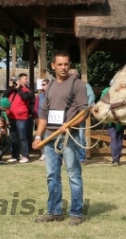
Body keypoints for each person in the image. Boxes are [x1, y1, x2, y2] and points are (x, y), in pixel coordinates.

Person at [32, 50, 90, 225]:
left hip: (68, 137)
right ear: (53, 66)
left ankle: (76, 213)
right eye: (60, 64)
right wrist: (38, 135)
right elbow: (43, 113)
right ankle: (54, 211)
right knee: (52, 175)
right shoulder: (49, 86)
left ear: (69, 65)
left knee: (73, 175)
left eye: (66, 64)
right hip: (50, 136)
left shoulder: (78, 84)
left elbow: (84, 112)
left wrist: (70, 125)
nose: (63, 67)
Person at [5, 73, 35, 163]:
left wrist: (19, 88)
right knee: (13, 138)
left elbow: (25, 97)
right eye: (25, 79)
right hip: (12, 116)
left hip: (22, 118)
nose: (27, 80)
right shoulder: (13, 91)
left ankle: (25, 156)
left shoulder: (27, 90)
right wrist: (11, 87)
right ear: (20, 80)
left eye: (27, 78)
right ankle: (14, 156)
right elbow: (4, 95)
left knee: (23, 137)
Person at [99, 80, 124, 166]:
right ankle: (115, 158)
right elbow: (102, 104)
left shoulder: (122, 92)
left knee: (119, 139)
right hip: (110, 119)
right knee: (114, 138)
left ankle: (117, 158)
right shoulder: (106, 92)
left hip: (120, 119)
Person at [35, 79, 48, 161]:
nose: (43, 86)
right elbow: (36, 107)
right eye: (42, 85)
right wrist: (36, 117)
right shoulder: (40, 95)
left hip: (51, 119)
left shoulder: (53, 94)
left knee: (50, 137)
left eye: (44, 84)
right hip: (40, 118)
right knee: (41, 137)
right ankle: (43, 153)